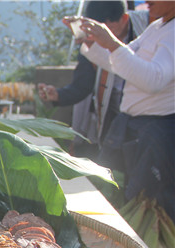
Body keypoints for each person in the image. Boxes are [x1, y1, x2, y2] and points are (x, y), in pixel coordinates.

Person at [79, 0, 175, 220]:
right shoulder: (157, 27)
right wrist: (92, 43)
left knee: (150, 209)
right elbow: (118, 63)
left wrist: (112, 44)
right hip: (135, 127)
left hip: (159, 130)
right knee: (121, 196)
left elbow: (154, 80)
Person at [37, 0, 148, 158]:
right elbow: (83, 84)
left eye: (108, 30)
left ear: (124, 18)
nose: (104, 36)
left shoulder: (148, 28)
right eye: (99, 30)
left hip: (149, 117)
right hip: (112, 116)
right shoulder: (92, 39)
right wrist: (59, 95)